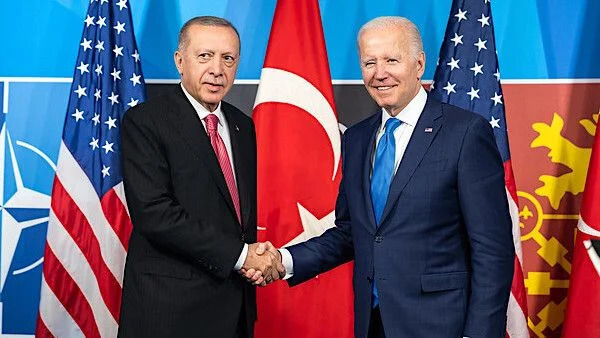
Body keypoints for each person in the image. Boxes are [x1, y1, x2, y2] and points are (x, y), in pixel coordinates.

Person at [246, 16, 514, 337]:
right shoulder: (358, 138)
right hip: (373, 323)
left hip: (444, 325)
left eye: (391, 60)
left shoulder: (465, 134)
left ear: (418, 63)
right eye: (369, 62)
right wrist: (283, 260)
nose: (379, 73)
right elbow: (351, 233)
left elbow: (492, 248)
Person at [118, 16, 284, 338]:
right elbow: (155, 215)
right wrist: (242, 256)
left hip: (234, 308)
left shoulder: (242, 125)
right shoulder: (146, 122)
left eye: (228, 58)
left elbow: (237, 217)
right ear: (180, 61)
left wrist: (252, 259)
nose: (217, 69)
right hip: (171, 312)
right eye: (204, 56)